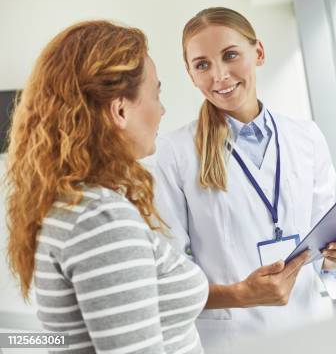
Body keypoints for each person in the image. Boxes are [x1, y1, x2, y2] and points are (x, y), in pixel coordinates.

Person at [154, 7, 336, 352]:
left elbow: (322, 242)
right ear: (191, 75)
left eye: (230, 55)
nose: (219, 75)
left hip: (309, 329)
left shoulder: (306, 137)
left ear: (259, 53)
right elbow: (169, 276)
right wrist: (240, 295)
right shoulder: (173, 153)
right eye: (202, 64)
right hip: (232, 339)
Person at [5, 20, 207, 353]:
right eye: (156, 93)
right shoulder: (99, 218)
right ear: (120, 109)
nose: (162, 109)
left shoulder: (78, 206)